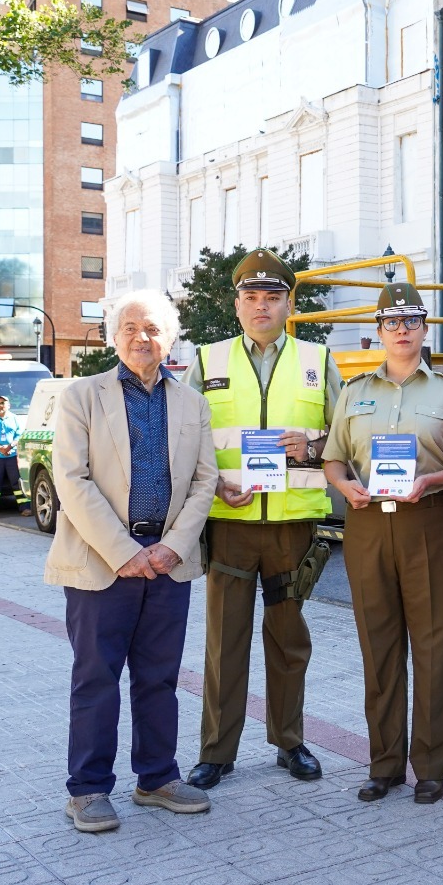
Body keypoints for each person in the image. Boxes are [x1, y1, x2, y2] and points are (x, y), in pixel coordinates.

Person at [44, 289, 218, 833]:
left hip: (167, 563)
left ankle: (157, 778)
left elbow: (205, 481)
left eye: (154, 329)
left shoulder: (192, 402)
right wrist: (124, 552)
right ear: (113, 337)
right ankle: (88, 789)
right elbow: (72, 480)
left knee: (159, 678)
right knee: (95, 678)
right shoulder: (81, 396)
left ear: (171, 339)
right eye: (131, 328)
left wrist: (173, 547)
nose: (143, 338)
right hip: (102, 564)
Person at [185, 249, 343, 790]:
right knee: (224, 644)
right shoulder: (207, 361)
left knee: (289, 641)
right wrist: (213, 485)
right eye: (251, 297)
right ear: (236, 304)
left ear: (288, 304)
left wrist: (313, 446)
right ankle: (216, 751)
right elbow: (187, 441)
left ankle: (290, 742)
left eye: (272, 297)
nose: (261, 306)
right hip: (229, 524)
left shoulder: (318, 360)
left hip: (292, 527)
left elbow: (347, 437)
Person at [323, 283, 443, 805]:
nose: (402, 330)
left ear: (424, 329)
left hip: (426, 521)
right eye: (392, 322)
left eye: (411, 322)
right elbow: (334, 458)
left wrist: (432, 480)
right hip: (367, 523)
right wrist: (344, 486)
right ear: (380, 331)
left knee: (432, 647)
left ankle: (430, 767)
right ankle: (384, 763)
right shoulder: (354, 390)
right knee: (379, 647)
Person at [0, 394, 32, 518]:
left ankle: (25, 508)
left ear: (8, 405)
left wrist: (10, 446)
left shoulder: (15, 418)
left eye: (2, 403)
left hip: (12, 455)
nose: (0, 406)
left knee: (17, 482)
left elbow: (20, 435)